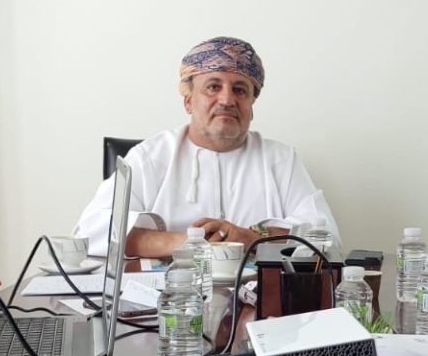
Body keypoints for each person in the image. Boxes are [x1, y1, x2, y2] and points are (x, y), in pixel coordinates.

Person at [73, 36, 338, 258]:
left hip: (258, 299)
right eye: (213, 87)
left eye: (240, 90)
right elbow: (91, 231)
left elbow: (327, 238)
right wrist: (191, 244)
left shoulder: (281, 159)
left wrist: (251, 237)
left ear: (251, 105)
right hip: (170, 297)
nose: (227, 99)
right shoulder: (150, 157)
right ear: (188, 101)